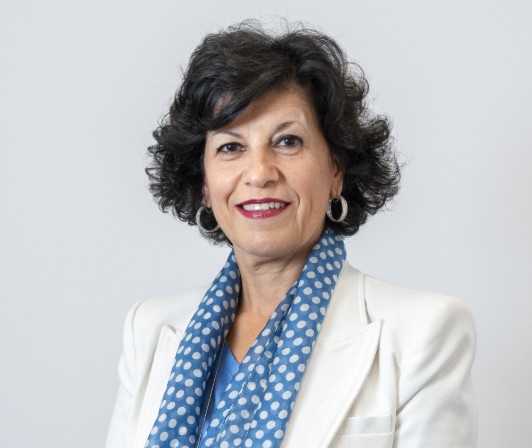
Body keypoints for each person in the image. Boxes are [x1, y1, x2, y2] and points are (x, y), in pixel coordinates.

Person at [105, 21, 477, 448]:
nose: (260, 173)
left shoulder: (422, 332)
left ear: (335, 169)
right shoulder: (149, 329)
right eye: (230, 147)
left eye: (287, 141)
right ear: (204, 183)